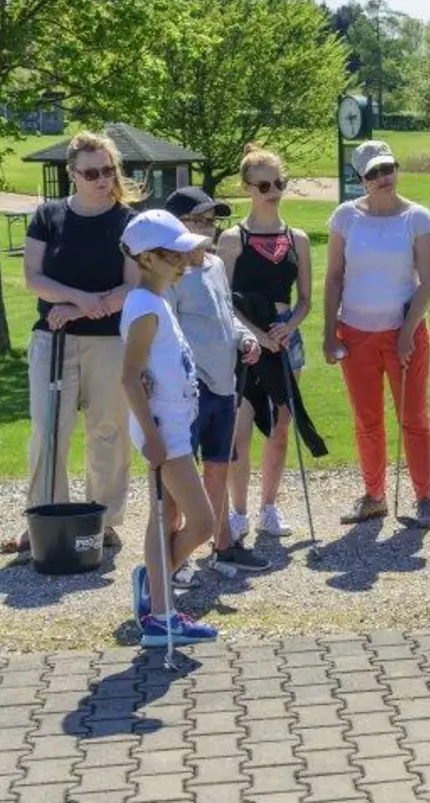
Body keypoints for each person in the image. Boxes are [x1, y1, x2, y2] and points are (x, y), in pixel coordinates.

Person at [3, 131, 139, 556]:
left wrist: (79, 310)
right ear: (72, 175)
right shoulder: (48, 216)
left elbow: (132, 287)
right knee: (47, 431)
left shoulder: (128, 221)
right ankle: (42, 520)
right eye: (92, 172)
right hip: (53, 338)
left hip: (109, 342)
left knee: (107, 430)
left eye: (108, 170)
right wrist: (77, 299)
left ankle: (104, 521)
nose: (102, 179)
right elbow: (33, 278)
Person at [323, 139, 430, 529]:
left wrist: (407, 332)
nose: (382, 178)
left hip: (405, 333)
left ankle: (424, 498)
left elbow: (429, 281)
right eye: (372, 173)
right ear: (360, 180)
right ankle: (374, 496)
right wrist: (329, 331)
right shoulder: (345, 217)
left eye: (387, 169)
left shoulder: (418, 218)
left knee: (414, 418)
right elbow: (335, 276)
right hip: (355, 333)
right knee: (367, 420)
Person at [117, 208, 220, 648]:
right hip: (164, 432)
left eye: (181, 253)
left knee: (169, 516)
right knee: (203, 523)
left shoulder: (157, 301)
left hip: (175, 424)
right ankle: (158, 602)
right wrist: (154, 438)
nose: (181, 261)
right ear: (146, 259)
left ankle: (157, 594)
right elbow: (128, 377)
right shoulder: (144, 308)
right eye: (171, 255)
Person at [161, 187, 268, 576]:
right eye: (200, 220)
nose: (208, 229)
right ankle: (177, 557)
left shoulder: (216, 264)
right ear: (178, 225)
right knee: (179, 480)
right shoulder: (168, 271)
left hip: (225, 383)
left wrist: (245, 338)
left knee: (218, 468)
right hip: (190, 388)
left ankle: (223, 547)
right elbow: (167, 331)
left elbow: (227, 315)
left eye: (212, 220)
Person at [217, 144, 314, 541]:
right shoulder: (231, 239)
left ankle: (268, 507)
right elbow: (221, 300)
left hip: (286, 339)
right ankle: (237, 512)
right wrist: (255, 335)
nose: (273, 190)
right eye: (264, 184)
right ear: (247, 188)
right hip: (244, 343)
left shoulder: (299, 239)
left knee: (280, 427)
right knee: (239, 432)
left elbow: (305, 298)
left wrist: (288, 326)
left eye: (279, 182)